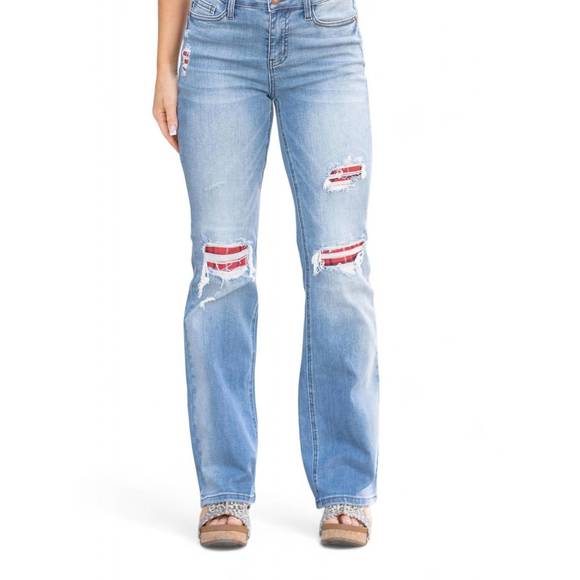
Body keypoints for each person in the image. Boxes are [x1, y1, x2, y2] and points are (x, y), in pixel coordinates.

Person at [153, 0, 380, 548]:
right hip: (218, 39)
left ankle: (346, 487)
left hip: (325, 37)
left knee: (340, 267)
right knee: (221, 270)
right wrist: (163, 65)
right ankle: (224, 490)